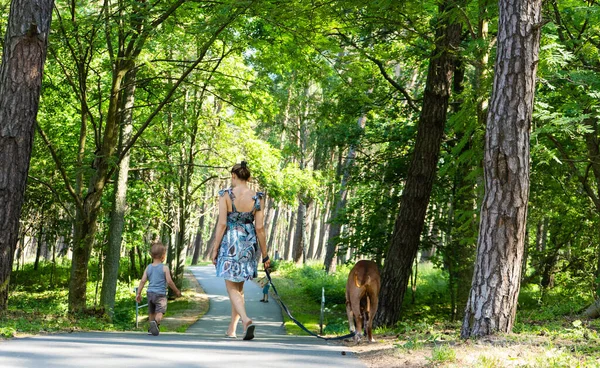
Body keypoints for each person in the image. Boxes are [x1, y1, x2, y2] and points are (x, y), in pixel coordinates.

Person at [211, 161, 271, 340]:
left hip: (231, 242)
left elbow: (222, 224)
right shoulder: (257, 198)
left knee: (231, 287)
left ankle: (245, 320)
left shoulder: (226, 195)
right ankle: (232, 329)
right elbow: (260, 228)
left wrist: (215, 249)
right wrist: (265, 254)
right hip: (249, 242)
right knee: (239, 288)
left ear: (233, 176)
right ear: (249, 177)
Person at [135, 242, 182, 336]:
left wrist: (139, 293)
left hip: (150, 293)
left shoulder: (148, 268)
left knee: (151, 312)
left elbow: (143, 281)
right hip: (160, 294)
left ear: (151, 255)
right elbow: (169, 281)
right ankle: (155, 323)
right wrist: (176, 291)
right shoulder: (165, 268)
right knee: (160, 312)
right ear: (163, 256)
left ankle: (151, 328)